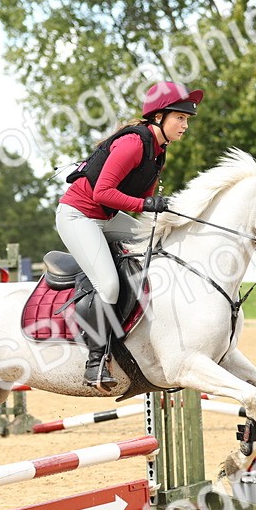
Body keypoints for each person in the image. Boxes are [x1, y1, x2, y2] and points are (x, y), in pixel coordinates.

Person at [56, 80, 202, 392]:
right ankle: (95, 360)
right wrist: (147, 204)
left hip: (106, 217)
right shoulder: (134, 143)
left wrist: (173, 214)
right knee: (108, 284)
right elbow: (103, 192)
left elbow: (141, 208)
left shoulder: (158, 151)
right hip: (78, 216)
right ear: (159, 117)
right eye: (181, 118)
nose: (185, 125)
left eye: (187, 120)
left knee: (159, 244)